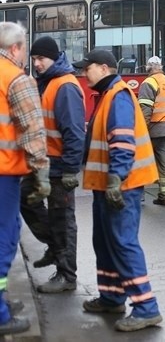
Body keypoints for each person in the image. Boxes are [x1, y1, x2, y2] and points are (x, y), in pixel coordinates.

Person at [72, 49, 162, 332]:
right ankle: (112, 296)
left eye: (87, 68)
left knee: (123, 242)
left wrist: (116, 179)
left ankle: (147, 308)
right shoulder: (108, 95)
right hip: (108, 185)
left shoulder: (118, 95)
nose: (83, 73)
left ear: (103, 67)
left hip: (121, 185)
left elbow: (122, 142)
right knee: (105, 241)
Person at [20, 36, 85, 294]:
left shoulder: (64, 86)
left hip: (59, 166)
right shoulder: (46, 83)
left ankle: (67, 275)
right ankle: (55, 247)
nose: (36, 63)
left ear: (54, 57)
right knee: (26, 200)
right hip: (43, 163)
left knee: (62, 218)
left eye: (41, 59)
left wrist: (70, 169)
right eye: (33, 59)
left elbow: (74, 132)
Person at [0, 22, 50, 335]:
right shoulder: (16, 79)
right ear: (16, 48)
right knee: (4, 239)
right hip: (4, 173)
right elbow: (32, 128)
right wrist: (41, 171)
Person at [138, 56, 165, 205]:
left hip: (155, 127)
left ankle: (139, 195)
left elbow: (145, 110)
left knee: (142, 160)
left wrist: (141, 130)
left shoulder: (149, 82)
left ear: (148, 69)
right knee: (164, 162)